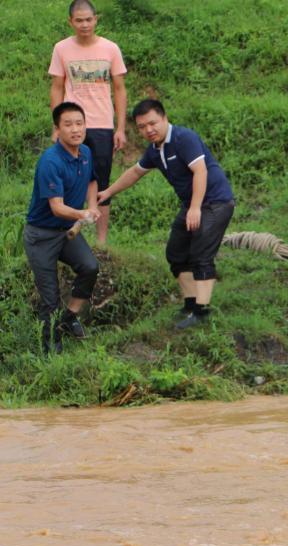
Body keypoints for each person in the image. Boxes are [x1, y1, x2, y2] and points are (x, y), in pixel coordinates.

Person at [97, 99, 235, 329]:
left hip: (215, 202)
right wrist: (108, 192)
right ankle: (190, 305)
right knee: (176, 253)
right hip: (192, 203)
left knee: (201, 253)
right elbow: (134, 172)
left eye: (152, 123)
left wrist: (194, 208)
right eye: (142, 127)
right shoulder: (155, 150)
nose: (148, 130)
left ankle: (202, 312)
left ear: (164, 118)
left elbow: (200, 172)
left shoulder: (183, 138)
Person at [24, 102, 101, 354]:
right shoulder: (51, 161)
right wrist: (82, 213)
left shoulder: (86, 152)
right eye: (68, 125)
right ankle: (51, 353)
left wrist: (92, 205)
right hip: (41, 236)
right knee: (50, 297)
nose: (75, 129)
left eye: (79, 123)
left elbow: (92, 180)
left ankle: (69, 319)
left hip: (67, 230)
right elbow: (56, 207)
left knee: (90, 267)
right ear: (57, 129)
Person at [49, 0, 127, 245]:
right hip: (72, 126)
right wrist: (57, 126)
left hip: (102, 125)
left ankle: (101, 242)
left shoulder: (110, 48)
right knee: (71, 180)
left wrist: (121, 128)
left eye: (88, 19)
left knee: (102, 181)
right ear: (70, 22)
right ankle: (70, 238)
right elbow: (57, 88)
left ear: (96, 19)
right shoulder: (62, 49)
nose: (84, 24)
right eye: (79, 20)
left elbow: (120, 89)